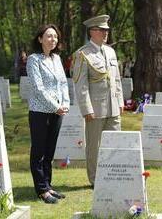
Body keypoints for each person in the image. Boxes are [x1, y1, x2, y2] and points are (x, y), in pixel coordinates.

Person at [72, 15, 124, 187]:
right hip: (95, 108)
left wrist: (120, 101)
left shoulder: (110, 51)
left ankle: (113, 175)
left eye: (107, 30)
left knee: (115, 142)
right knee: (94, 146)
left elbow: (116, 79)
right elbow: (81, 85)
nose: (106, 33)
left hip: (113, 106)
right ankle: (95, 180)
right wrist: (86, 109)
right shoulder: (83, 54)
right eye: (102, 30)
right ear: (92, 32)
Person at [26, 24, 70, 204]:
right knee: (39, 151)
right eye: (49, 36)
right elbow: (38, 88)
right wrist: (55, 106)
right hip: (40, 111)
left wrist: (65, 103)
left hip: (58, 111)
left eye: (55, 37)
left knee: (50, 150)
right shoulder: (33, 60)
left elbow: (63, 84)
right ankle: (41, 189)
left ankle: (48, 185)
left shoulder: (57, 59)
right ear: (40, 39)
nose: (53, 39)